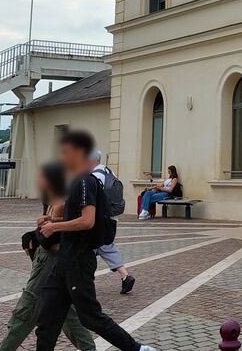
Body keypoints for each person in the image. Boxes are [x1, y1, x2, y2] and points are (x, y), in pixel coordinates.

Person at [34, 131, 157, 351]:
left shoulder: (85, 182)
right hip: (65, 260)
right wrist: (52, 219)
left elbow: (87, 221)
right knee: (47, 319)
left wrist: (55, 226)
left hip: (79, 260)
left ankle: (138, 349)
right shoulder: (77, 182)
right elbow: (77, 218)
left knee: (90, 317)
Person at [0, 161, 95, 351]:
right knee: (66, 312)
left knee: (26, 310)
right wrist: (34, 233)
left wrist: (38, 233)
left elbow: (50, 238)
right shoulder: (53, 200)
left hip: (49, 261)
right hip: (51, 260)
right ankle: (89, 348)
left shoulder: (59, 203)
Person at [89, 150, 135, 294]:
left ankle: (85, 281)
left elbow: (92, 198)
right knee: (107, 247)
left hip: (98, 219)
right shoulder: (109, 171)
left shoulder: (95, 176)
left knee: (88, 249)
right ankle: (125, 276)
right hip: (111, 217)